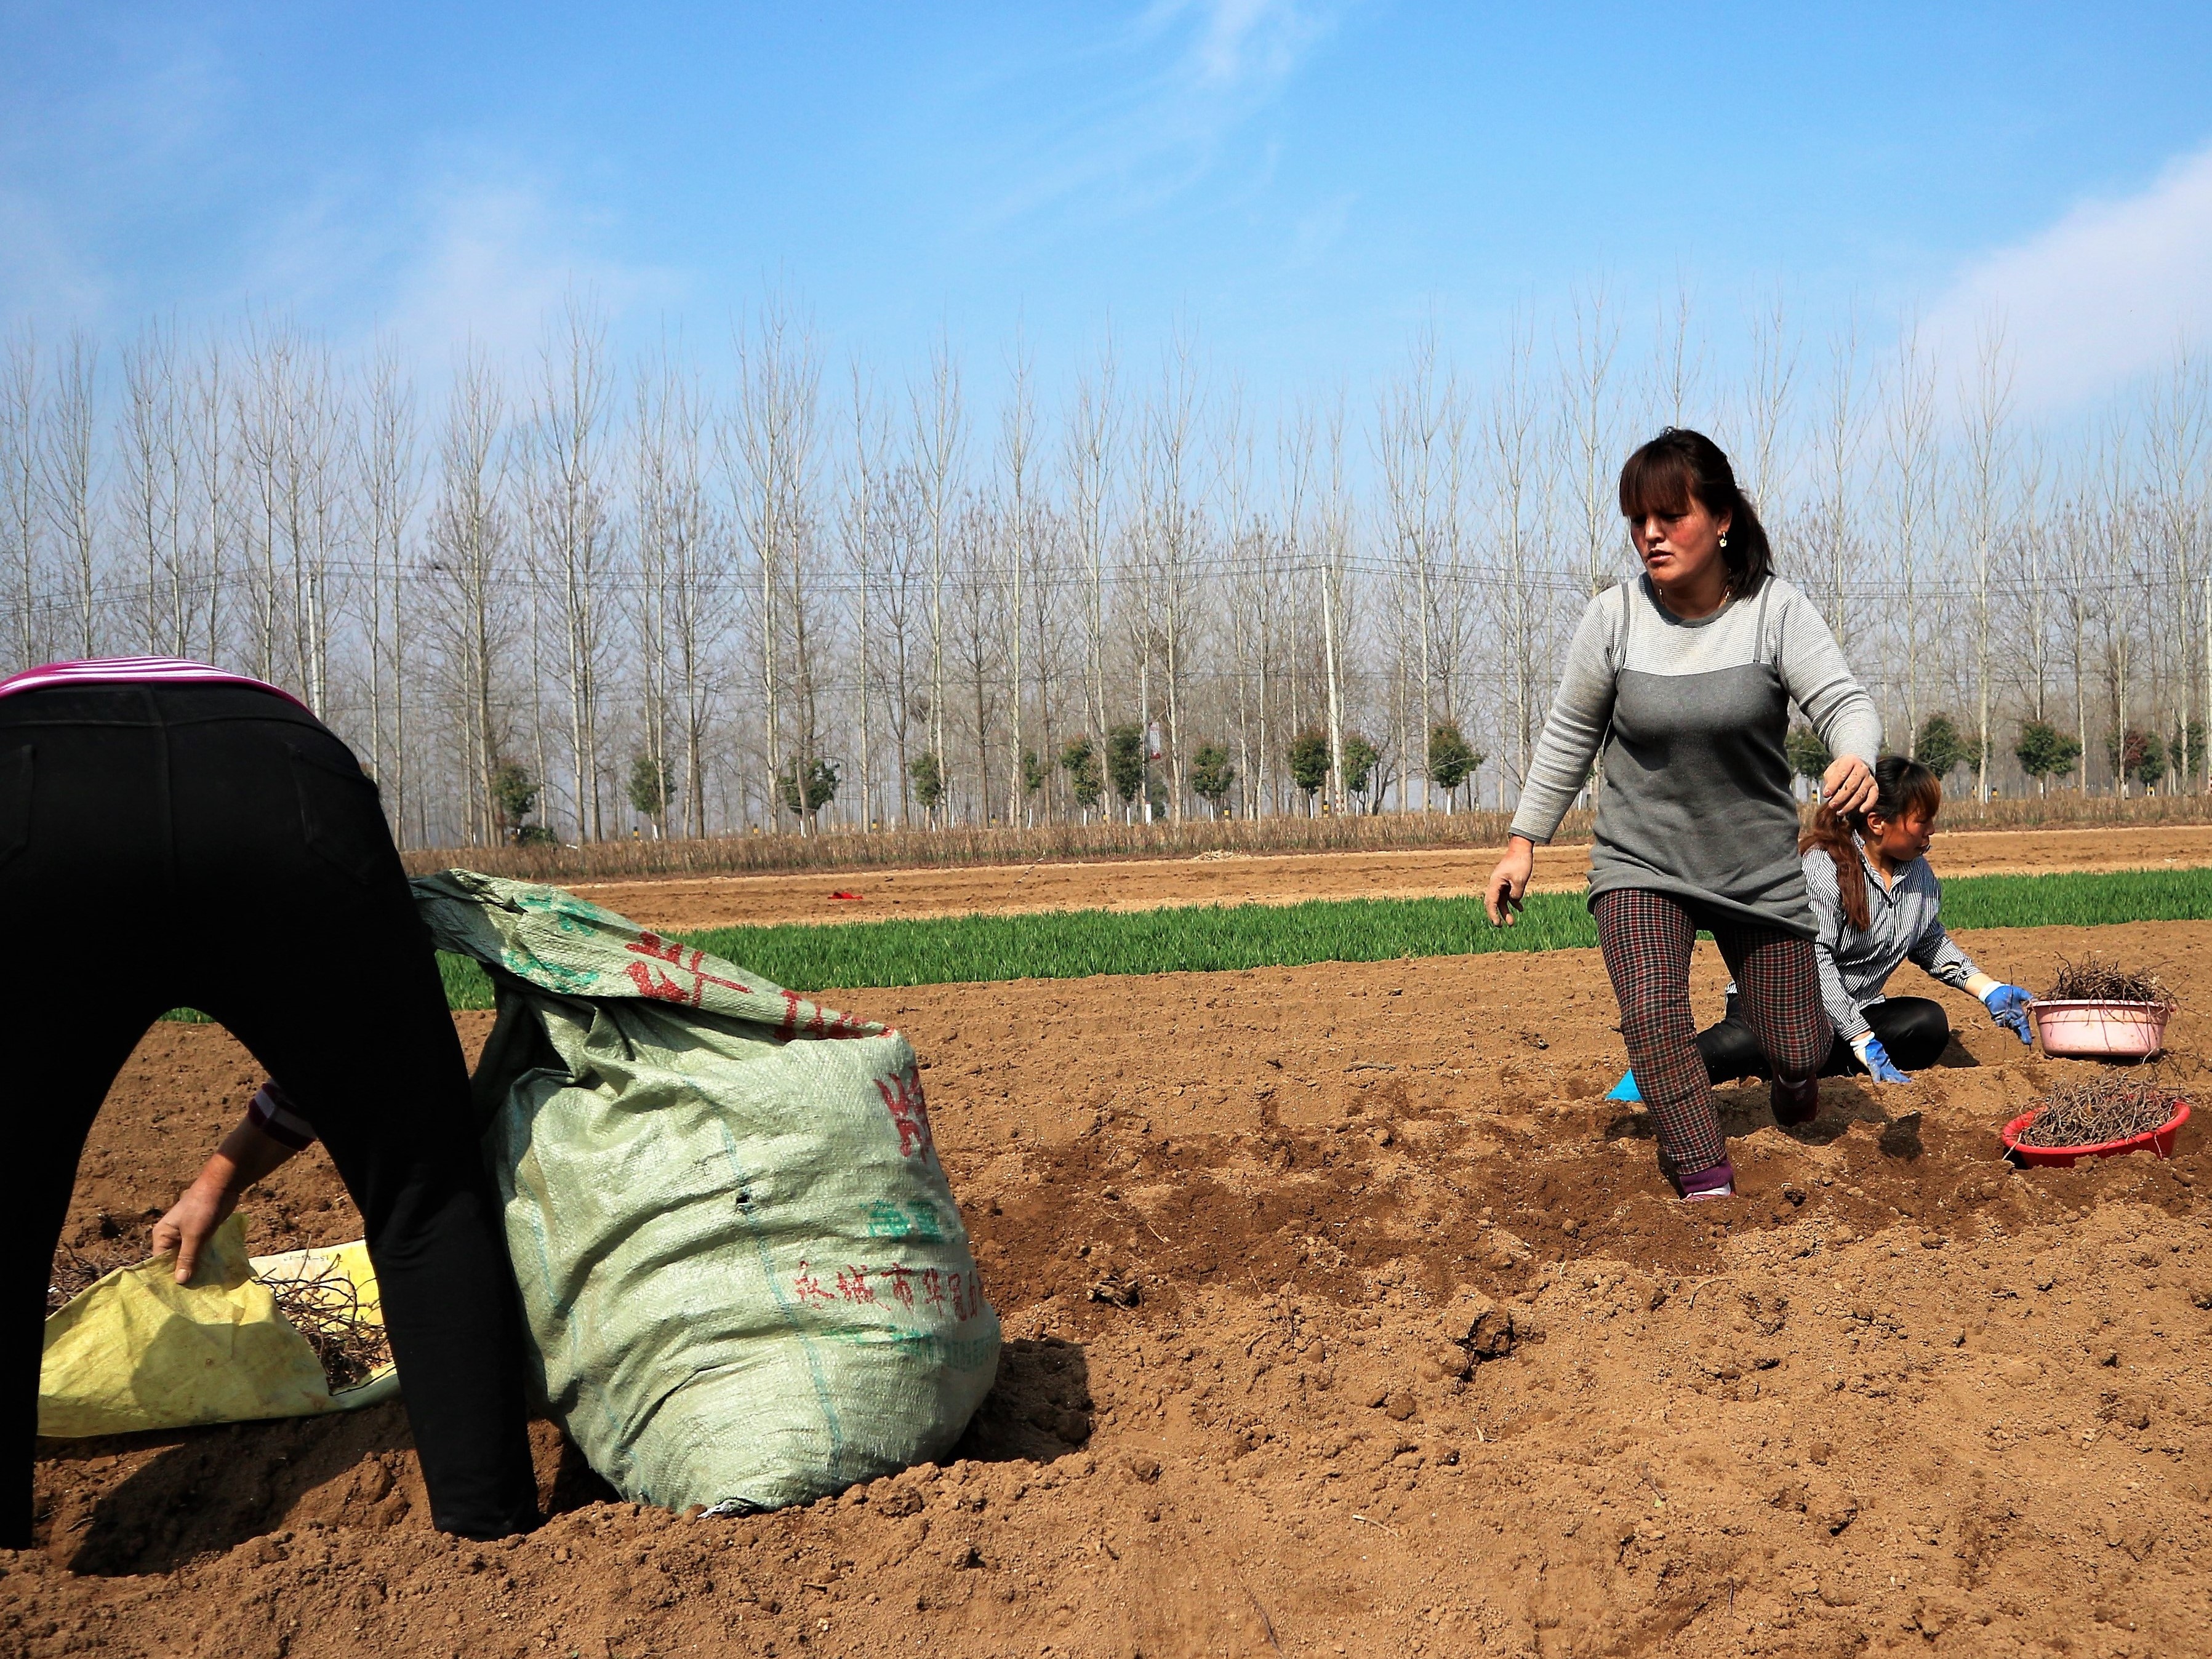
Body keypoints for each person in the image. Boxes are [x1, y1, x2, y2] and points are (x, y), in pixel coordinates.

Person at [4, 656, 539, 1545]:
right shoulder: (279, 730)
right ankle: (490, 1534)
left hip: (32, 784)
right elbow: (353, 1065)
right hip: (278, 774)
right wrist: (224, 1175)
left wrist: (221, 1177)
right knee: (422, 1191)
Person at [1484, 429, 1880, 1201]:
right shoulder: (1614, 617)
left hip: (1754, 864)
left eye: (1669, 515)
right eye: (1637, 520)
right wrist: (1523, 841)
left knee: (1798, 1046)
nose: (1650, 536)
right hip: (1642, 859)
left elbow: (1845, 703)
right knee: (1656, 1020)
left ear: (1723, 516)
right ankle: (1707, 1181)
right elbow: (1569, 732)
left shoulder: (1775, 610)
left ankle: (1794, 1082)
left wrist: (1855, 756)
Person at [1692, 754, 2032, 1085]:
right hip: (1783, 1004)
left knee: (1927, 1024)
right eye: (1922, 820)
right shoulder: (1824, 866)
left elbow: (1929, 941)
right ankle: (1649, 1080)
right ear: (1877, 823)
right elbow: (1816, 963)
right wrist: (1860, 1037)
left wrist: (1990, 990)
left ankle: (1807, 1066)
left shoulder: (1919, 874)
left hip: (1849, 1013)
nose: (1932, 829)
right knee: (1745, 1044)